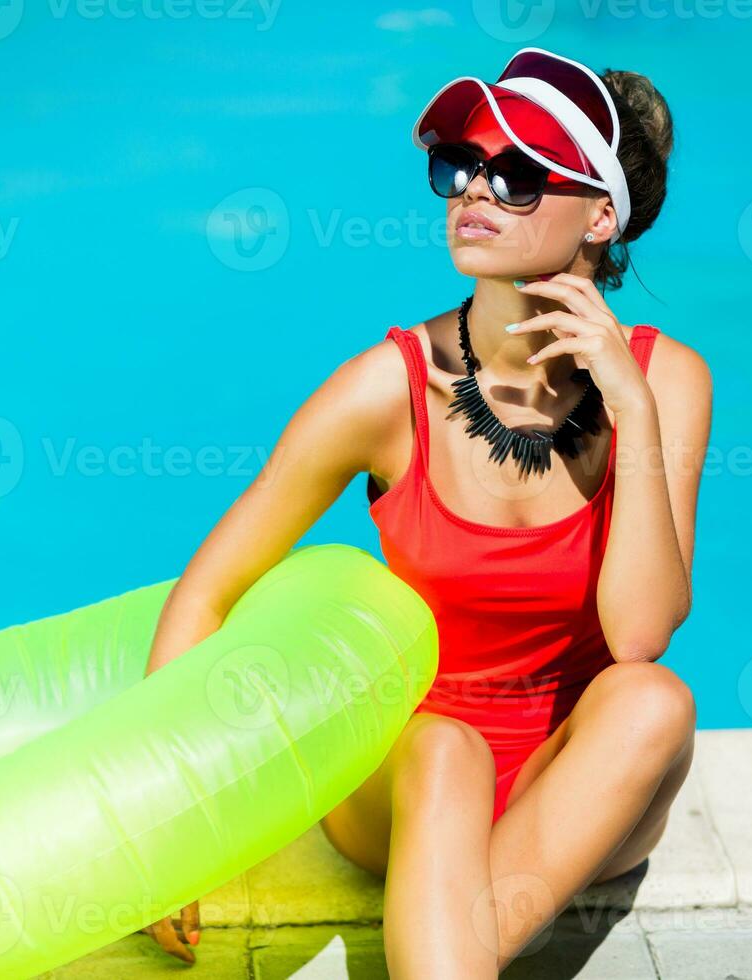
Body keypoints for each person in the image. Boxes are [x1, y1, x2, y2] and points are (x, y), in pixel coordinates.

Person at [142, 47, 712, 978]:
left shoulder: (667, 383)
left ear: (600, 216)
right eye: (461, 166)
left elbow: (640, 632)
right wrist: (173, 832)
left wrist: (631, 406)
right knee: (447, 750)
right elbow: (206, 594)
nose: (477, 190)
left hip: (573, 788)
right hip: (407, 782)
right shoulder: (385, 391)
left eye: (520, 175)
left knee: (654, 701)